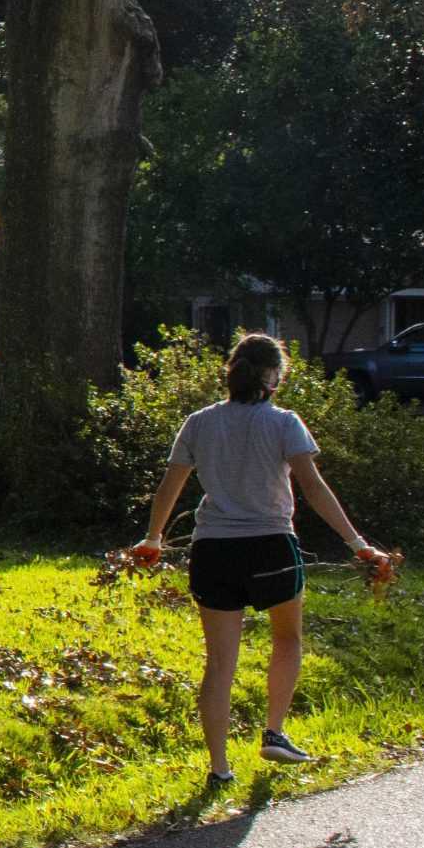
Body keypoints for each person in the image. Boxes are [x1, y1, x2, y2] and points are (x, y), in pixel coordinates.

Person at [132, 333, 391, 786]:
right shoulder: (285, 423)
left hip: (213, 550)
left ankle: (219, 768)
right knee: (287, 639)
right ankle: (274, 732)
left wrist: (153, 537)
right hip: (271, 545)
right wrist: (358, 544)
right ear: (273, 376)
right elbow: (313, 487)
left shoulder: (199, 423)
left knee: (219, 664)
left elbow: (169, 486)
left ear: (231, 372)